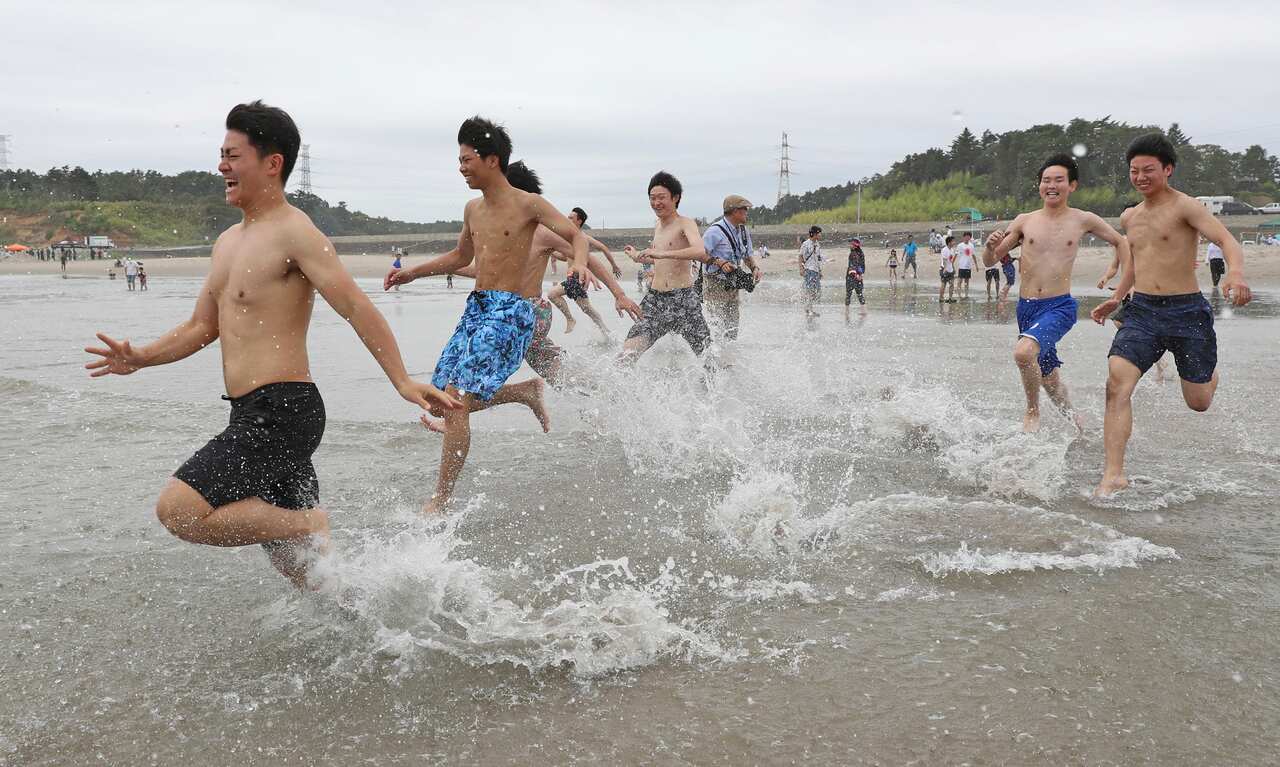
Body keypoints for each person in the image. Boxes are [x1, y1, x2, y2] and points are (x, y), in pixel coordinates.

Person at [83, 101, 460, 589]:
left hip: (285, 412)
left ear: (272, 163)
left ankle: (310, 521)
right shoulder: (226, 242)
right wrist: (141, 358)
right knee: (308, 575)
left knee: (179, 511)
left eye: (233, 155)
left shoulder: (296, 232)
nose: (222, 166)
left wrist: (402, 379)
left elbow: (355, 307)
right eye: (221, 154)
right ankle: (374, 626)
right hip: (249, 413)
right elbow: (202, 325)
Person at [381, 116, 593, 514]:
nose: (461, 167)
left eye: (467, 159)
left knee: (457, 397)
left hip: (513, 310)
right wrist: (412, 271)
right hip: (478, 307)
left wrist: (579, 264)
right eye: (459, 160)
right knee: (440, 398)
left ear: (492, 160)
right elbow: (461, 257)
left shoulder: (529, 205)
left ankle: (441, 498)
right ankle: (524, 392)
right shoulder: (472, 209)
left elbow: (575, 235)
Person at [1089, 133, 1251, 496]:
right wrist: (1117, 298)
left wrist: (1235, 274)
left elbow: (1227, 241)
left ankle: (1209, 375)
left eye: (1149, 170)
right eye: (1134, 170)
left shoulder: (1186, 207)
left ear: (1168, 169)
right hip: (1143, 311)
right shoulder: (1131, 216)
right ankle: (1114, 474)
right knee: (1116, 384)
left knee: (1199, 402)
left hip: (1187, 313)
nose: (1140, 176)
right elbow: (1135, 262)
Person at [390, 162, 640, 394]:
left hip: (527, 310)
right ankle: (608, 391)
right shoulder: (499, 230)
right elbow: (475, 268)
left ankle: (477, 403)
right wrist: (424, 271)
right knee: (556, 373)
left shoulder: (541, 230)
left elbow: (587, 253)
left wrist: (618, 294)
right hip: (506, 310)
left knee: (469, 377)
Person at [984, 152, 1129, 434]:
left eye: (1059, 180)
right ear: (1039, 185)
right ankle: (1078, 424)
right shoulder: (1025, 221)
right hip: (1026, 308)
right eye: (1046, 180)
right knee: (1049, 379)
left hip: (1059, 307)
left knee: (1024, 353)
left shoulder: (1083, 219)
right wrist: (990, 246)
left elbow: (1120, 242)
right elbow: (991, 261)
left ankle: (1031, 412)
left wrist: (1117, 279)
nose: (1051, 185)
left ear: (1072, 185)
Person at [619, 171, 716, 363]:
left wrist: (662, 253)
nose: (656, 203)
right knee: (626, 356)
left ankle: (715, 392)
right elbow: (660, 259)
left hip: (683, 300)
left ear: (676, 198)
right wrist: (639, 256)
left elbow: (698, 250)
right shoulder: (658, 225)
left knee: (708, 359)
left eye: (661, 197)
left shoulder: (685, 223)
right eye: (652, 198)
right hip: (655, 301)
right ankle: (623, 393)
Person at [545, 206, 623, 337]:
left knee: (552, 294)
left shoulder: (582, 237)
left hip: (578, 277)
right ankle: (606, 332)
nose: (567, 219)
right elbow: (566, 257)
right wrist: (552, 253)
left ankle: (571, 319)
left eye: (571, 217)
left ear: (579, 221)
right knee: (587, 309)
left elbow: (603, 247)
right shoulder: (568, 238)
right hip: (572, 278)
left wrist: (614, 265)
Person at [700, 194, 762, 341]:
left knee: (732, 327)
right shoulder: (714, 232)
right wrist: (719, 262)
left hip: (733, 283)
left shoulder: (743, 231)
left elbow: (746, 255)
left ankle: (729, 360)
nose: (747, 212)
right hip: (715, 284)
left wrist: (754, 268)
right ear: (735, 211)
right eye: (744, 209)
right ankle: (713, 360)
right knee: (715, 326)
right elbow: (699, 254)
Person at [799, 225, 824, 316]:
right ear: (814, 234)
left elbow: (818, 258)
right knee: (810, 290)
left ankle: (808, 307)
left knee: (817, 291)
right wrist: (801, 269)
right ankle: (809, 310)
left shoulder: (818, 244)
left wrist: (820, 271)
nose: (820, 235)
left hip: (816, 270)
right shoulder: (806, 244)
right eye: (819, 233)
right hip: (809, 270)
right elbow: (800, 256)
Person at [845, 237, 867, 312]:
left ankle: (846, 312)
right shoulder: (861, 253)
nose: (849, 245)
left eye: (850, 244)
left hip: (852, 276)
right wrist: (860, 274)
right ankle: (864, 311)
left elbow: (853, 265)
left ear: (854, 245)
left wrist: (855, 274)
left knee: (848, 294)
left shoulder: (853, 254)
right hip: (858, 275)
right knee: (860, 294)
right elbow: (862, 265)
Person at [954, 232, 976, 298]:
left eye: (968, 236)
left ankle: (966, 294)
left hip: (968, 266)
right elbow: (956, 254)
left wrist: (976, 265)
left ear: (970, 237)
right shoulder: (960, 245)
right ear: (963, 237)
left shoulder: (971, 245)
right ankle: (959, 294)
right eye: (966, 236)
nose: (967, 238)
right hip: (961, 266)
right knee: (960, 281)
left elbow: (973, 255)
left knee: (967, 281)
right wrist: (952, 263)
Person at [938, 235, 956, 302]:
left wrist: (953, 268)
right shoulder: (944, 250)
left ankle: (950, 298)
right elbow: (944, 260)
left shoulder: (952, 250)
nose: (954, 242)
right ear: (949, 242)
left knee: (952, 284)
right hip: (944, 269)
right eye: (953, 241)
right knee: (944, 284)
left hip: (950, 269)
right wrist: (945, 269)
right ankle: (941, 298)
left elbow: (951, 261)